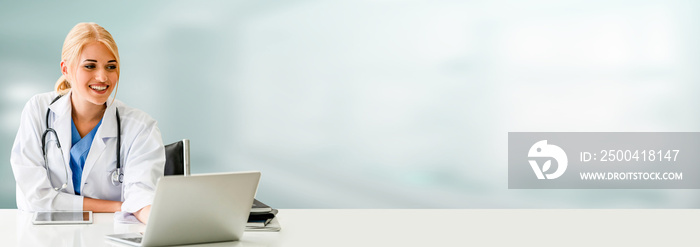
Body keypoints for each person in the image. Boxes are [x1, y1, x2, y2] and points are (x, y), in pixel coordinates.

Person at [10, 22, 165, 223]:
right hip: (46, 238)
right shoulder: (39, 110)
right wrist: (118, 207)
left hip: (107, 237)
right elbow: (33, 198)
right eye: (90, 66)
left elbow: (142, 197)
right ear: (66, 69)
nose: (102, 77)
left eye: (111, 67)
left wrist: (152, 216)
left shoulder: (140, 127)